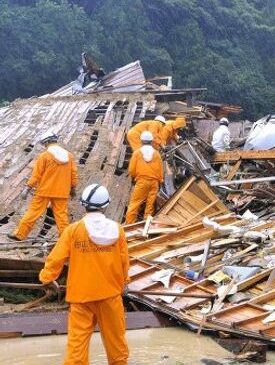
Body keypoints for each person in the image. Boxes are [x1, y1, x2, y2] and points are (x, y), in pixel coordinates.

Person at [39, 184, 129, 364]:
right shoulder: (117, 230)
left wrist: (47, 278)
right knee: (117, 347)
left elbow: (56, 258)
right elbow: (124, 263)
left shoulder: (72, 231)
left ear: (83, 204)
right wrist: (124, 282)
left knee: (77, 348)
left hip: (81, 297)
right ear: (106, 205)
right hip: (110, 297)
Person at [10, 131, 78, 241]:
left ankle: (19, 235)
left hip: (44, 191)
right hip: (62, 191)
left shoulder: (44, 156)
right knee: (61, 217)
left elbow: (36, 175)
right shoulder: (69, 156)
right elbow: (74, 173)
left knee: (33, 213)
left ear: (46, 142)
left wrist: (28, 187)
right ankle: (66, 240)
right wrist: (73, 188)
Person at [125, 131, 163, 224]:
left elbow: (131, 170)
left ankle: (129, 225)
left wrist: (133, 178)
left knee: (134, 204)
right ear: (151, 141)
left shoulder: (137, 153)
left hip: (142, 181)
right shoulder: (156, 154)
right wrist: (160, 181)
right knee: (150, 205)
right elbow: (161, 169)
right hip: (154, 182)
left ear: (141, 141)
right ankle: (146, 224)